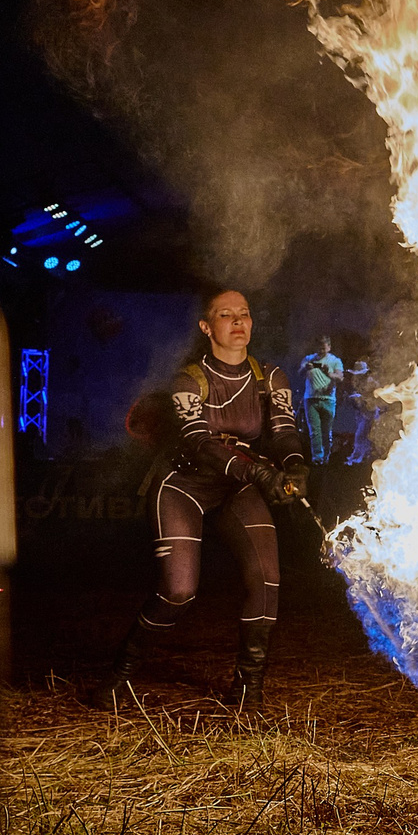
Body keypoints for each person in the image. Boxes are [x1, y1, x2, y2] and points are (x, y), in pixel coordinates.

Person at [103, 291, 309, 709]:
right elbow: (200, 443)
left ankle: (248, 692)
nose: (238, 322)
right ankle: (118, 676)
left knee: (267, 579)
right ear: (206, 327)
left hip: (235, 487)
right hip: (183, 484)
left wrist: (295, 466)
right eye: (225, 315)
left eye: (244, 314)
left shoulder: (270, 377)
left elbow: (285, 431)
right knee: (178, 592)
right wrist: (257, 472)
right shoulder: (189, 379)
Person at [297, 335, 344, 465]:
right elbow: (299, 373)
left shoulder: (335, 361)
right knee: (314, 432)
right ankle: (317, 459)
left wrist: (328, 373)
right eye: (319, 348)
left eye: (323, 348)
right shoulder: (308, 359)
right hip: (310, 399)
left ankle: (326, 458)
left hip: (328, 400)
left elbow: (340, 377)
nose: (321, 351)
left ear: (329, 347)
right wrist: (305, 368)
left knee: (326, 431)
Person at [342, 356, 382, 464]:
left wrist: (363, 398)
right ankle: (362, 456)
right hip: (362, 411)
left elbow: (377, 395)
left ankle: (359, 457)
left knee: (363, 434)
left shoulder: (371, 381)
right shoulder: (357, 381)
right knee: (362, 434)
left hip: (371, 411)